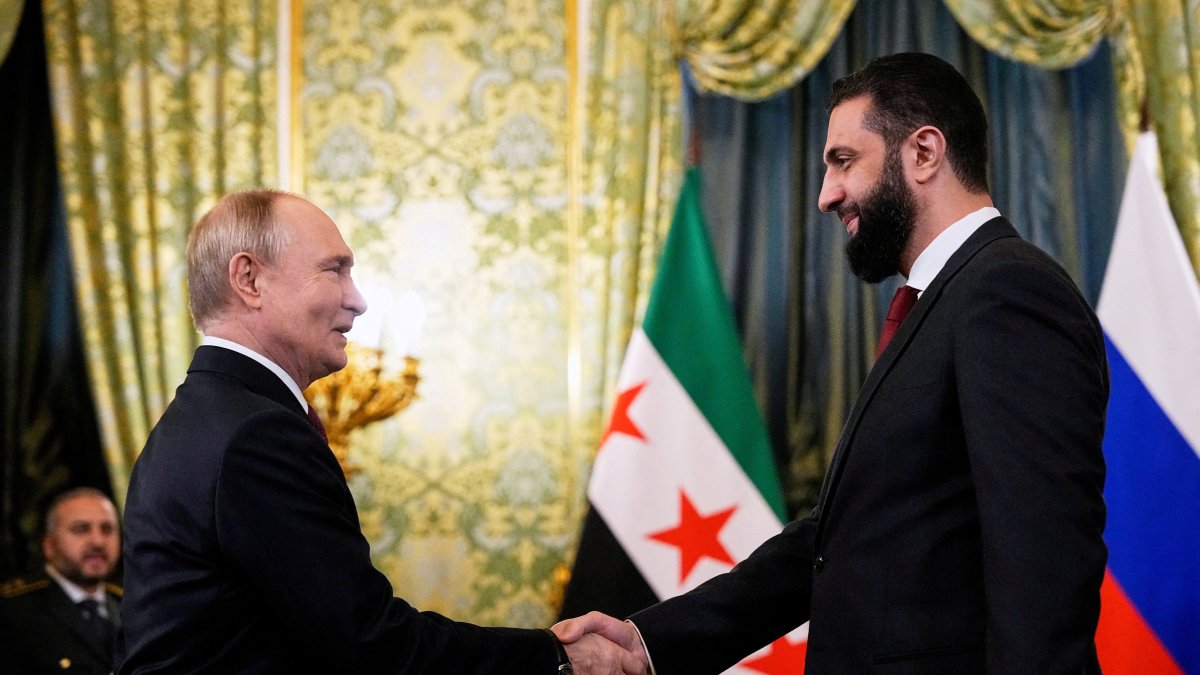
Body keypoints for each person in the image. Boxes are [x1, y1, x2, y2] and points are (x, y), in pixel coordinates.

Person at [555, 52, 1108, 674]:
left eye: (844, 162)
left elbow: (1043, 557)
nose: (825, 196)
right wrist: (652, 641)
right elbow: (836, 542)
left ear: (924, 153)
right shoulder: (943, 300)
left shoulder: (1007, 291)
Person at [117, 190, 642, 674]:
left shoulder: (206, 418)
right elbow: (369, 643)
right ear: (249, 280)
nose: (358, 300)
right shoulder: (256, 434)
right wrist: (557, 657)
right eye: (335, 270)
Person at [0, 487, 123, 674]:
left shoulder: (129, 603)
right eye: (81, 529)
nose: (98, 541)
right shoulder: (11, 611)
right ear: (49, 545)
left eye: (107, 529)